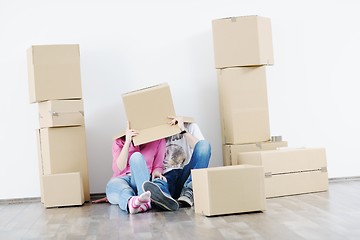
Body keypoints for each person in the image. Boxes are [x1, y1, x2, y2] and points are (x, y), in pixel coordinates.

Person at [143, 116, 211, 208]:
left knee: (204, 145)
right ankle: (164, 198)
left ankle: (189, 192)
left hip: (186, 175)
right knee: (158, 184)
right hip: (166, 176)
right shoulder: (154, 132)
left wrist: (183, 129)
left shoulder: (189, 126)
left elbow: (202, 150)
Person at [105, 122, 168, 214]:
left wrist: (157, 171)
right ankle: (133, 202)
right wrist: (127, 143)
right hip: (122, 179)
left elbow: (158, 165)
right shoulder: (119, 141)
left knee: (136, 156)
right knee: (116, 187)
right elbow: (118, 169)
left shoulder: (158, 140)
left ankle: (142, 198)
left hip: (141, 179)